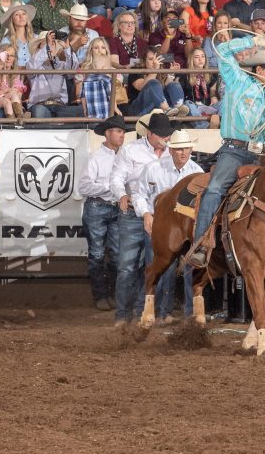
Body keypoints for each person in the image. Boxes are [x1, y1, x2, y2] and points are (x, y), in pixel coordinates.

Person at [186, 33, 265, 286]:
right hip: (235, 150)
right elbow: (222, 50)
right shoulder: (237, 80)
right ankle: (202, 244)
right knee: (215, 189)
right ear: (259, 68)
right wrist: (253, 42)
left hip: (264, 154)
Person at [110, 111, 176, 326]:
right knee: (127, 265)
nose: (165, 139)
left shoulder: (171, 152)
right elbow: (117, 177)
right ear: (150, 133)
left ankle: (144, 312)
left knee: (154, 264)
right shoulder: (131, 151)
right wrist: (121, 194)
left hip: (161, 216)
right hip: (133, 213)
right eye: (161, 135)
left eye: (167, 136)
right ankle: (123, 314)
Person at [132, 126, 201, 320]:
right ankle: (151, 311)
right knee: (160, 268)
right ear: (170, 150)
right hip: (159, 225)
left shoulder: (197, 172)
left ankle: (186, 315)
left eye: (186, 148)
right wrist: (146, 214)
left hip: (188, 229)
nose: (183, 152)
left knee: (190, 269)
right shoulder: (153, 168)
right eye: (179, 149)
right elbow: (139, 194)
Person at [80, 114, 125, 311]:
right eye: (119, 131)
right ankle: (101, 295)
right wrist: (112, 188)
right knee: (98, 253)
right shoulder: (95, 158)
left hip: (112, 207)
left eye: (123, 132)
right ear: (108, 134)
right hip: (98, 207)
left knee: (116, 254)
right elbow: (83, 187)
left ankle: (110, 295)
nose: (122, 135)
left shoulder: (123, 157)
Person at [27, 28, 81, 118]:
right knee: (38, 111)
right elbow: (33, 66)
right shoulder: (33, 63)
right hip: (40, 106)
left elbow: (73, 69)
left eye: (53, 45)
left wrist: (67, 48)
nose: (50, 47)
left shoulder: (61, 65)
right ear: (39, 49)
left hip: (60, 107)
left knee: (83, 110)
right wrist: (47, 47)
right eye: (45, 45)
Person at [76, 36, 121, 119]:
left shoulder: (113, 70)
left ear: (106, 50)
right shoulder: (83, 70)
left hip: (112, 105)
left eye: (103, 48)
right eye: (96, 48)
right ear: (91, 51)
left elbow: (115, 92)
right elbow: (79, 94)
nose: (100, 50)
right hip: (91, 105)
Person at [0, 44, 25, 119]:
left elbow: (18, 93)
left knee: (12, 94)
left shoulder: (15, 74)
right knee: (1, 110)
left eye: (12, 55)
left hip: (8, 101)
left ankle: (20, 117)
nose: (8, 58)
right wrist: (7, 90)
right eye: (6, 55)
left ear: (14, 59)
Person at [0, 3, 34, 67]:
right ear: (12, 19)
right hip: (15, 75)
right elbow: (5, 64)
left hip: (34, 75)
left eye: (23, 14)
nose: (21, 17)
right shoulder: (6, 41)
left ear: (27, 17)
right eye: (17, 14)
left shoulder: (36, 38)